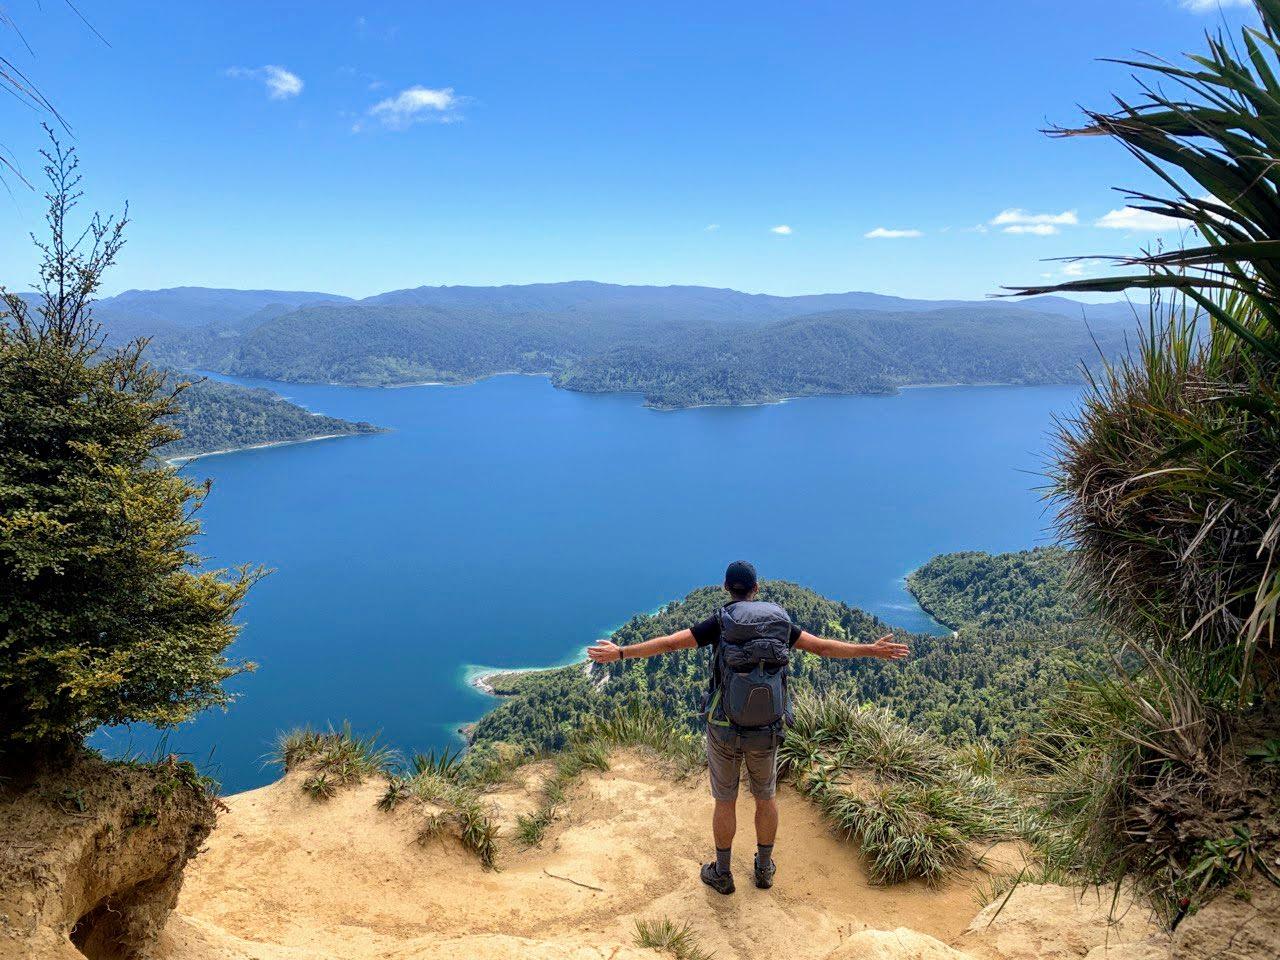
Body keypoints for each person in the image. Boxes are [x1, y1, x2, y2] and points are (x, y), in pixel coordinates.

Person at [587, 560, 909, 895]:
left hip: (724, 728)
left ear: (727, 588)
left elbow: (669, 643)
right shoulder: (779, 623)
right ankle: (764, 869)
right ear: (756, 589)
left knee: (725, 801)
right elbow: (824, 647)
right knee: (765, 797)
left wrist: (621, 652)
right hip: (766, 730)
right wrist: (871, 650)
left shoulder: (721, 623)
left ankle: (722, 873)